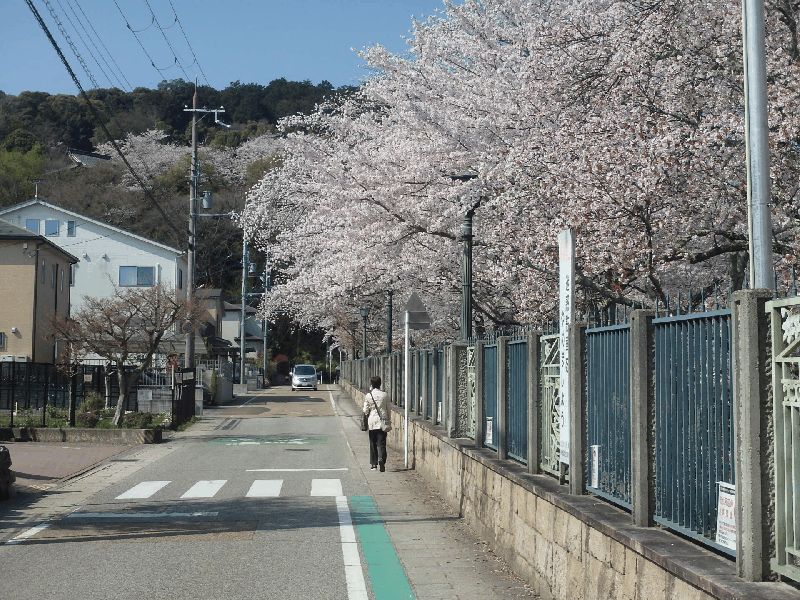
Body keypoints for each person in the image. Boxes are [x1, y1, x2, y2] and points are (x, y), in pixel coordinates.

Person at [363, 375, 389, 472]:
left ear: (371, 384)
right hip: (382, 422)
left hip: (372, 422)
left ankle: (374, 464)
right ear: (380, 384)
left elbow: (365, 410)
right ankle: (381, 459)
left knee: (373, 443)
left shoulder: (368, 395)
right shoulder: (384, 395)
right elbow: (388, 409)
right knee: (381, 443)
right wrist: (388, 420)